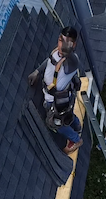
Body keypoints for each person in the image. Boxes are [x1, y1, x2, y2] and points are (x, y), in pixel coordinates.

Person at [28, 26, 83, 154]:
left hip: (57, 101)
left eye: (67, 42)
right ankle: (77, 126)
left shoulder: (71, 62)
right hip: (52, 97)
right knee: (68, 116)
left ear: (73, 45)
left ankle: (76, 140)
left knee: (56, 123)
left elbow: (72, 58)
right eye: (60, 40)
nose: (62, 45)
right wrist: (37, 72)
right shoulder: (55, 53)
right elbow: (49, 61)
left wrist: (68, 50)